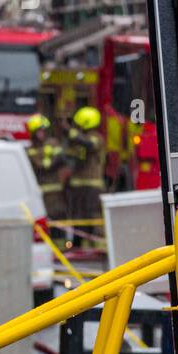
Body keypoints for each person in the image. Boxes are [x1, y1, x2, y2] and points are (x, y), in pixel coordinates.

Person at [65, 106, 105, 248]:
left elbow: (89, 145)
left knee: (91, 215)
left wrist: (72, 133)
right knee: (78, 218)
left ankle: (95, 245)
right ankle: (76, 245)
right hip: (77, 186)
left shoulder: (96, 138)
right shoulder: (78, 140)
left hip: (92, 187)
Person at [25, 113, 65, 224]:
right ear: (33, 132)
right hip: (39, 194)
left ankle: (62, 242)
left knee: (57, 222)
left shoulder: (53, 143)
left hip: (55, 194)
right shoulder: (29, 149)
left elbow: (61, 160)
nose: (42, 133)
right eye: (39, 131)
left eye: (43, 130)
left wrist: (49, 162)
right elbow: (38, 167)